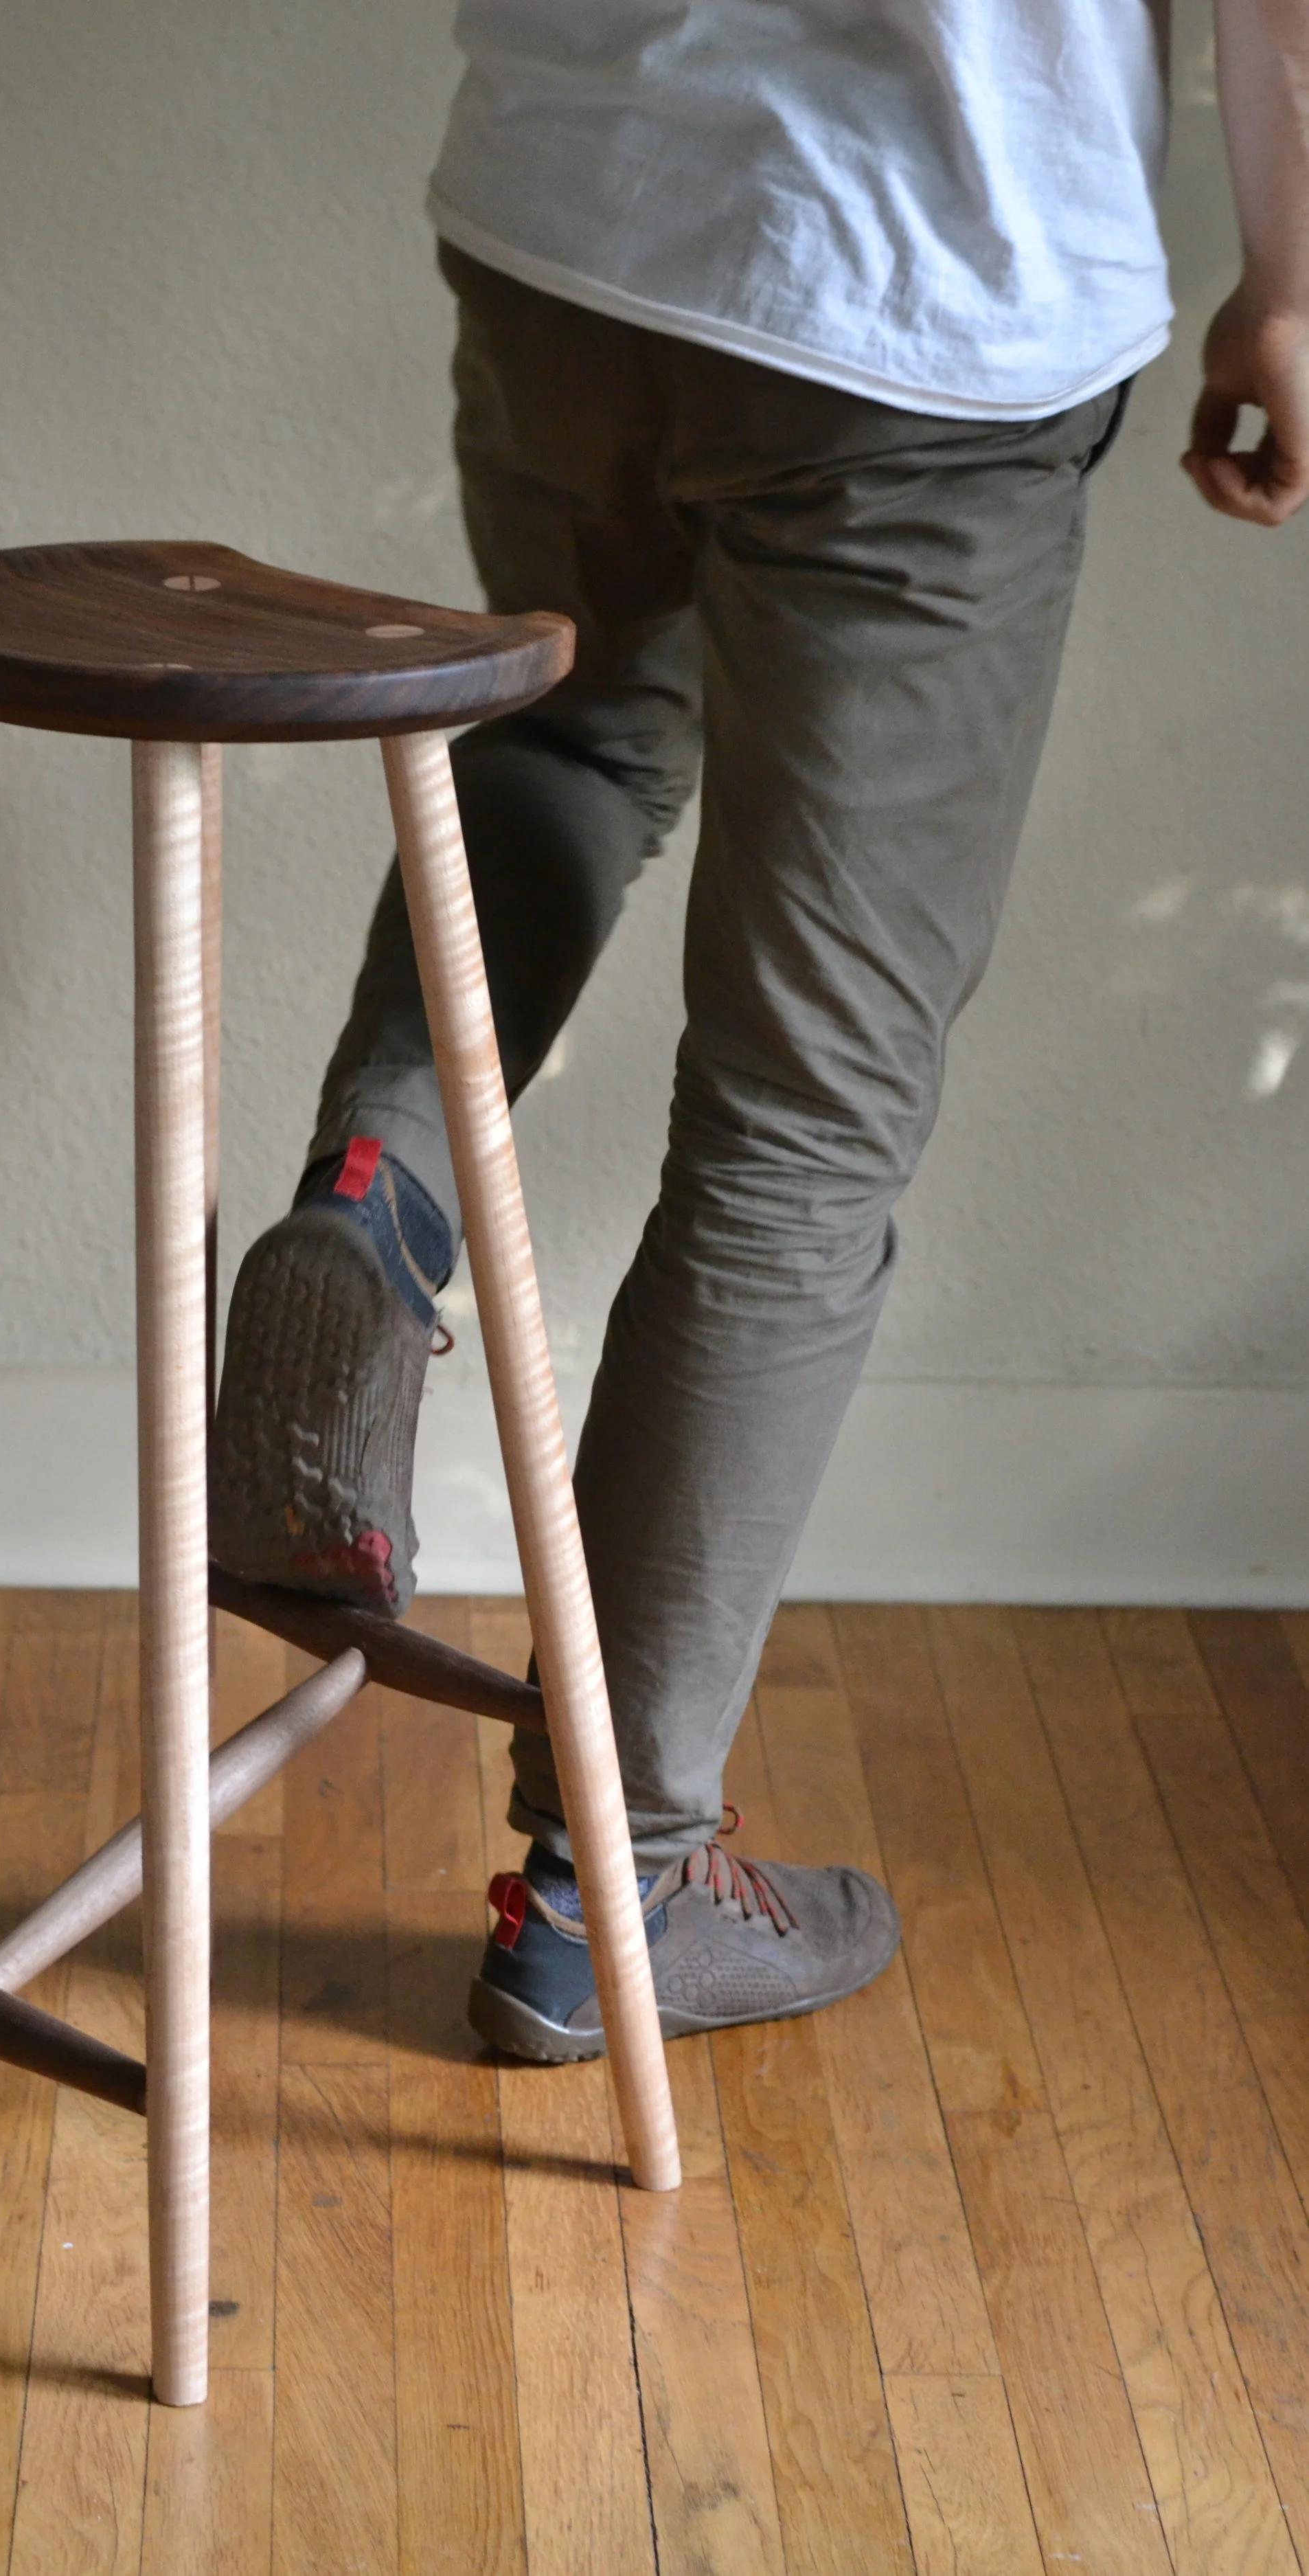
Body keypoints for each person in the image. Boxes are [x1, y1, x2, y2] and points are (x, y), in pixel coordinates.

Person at [209, 0, 1309, 2061]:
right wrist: (1288, 272)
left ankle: (366, 1212)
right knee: (807, 1108)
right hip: (918, 284)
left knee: (570, 749)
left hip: (570, 212)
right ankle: (606, 1888)